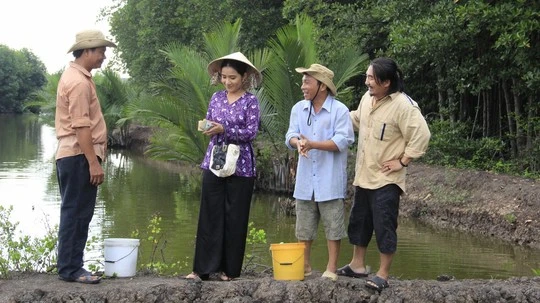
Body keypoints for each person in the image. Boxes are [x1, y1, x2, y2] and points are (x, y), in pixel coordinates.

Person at [337, 57, 431, 291]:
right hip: (365, 175)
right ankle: (357, 265)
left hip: (386, 180)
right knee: (359, 222)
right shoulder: (367, 100)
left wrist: (403, 160)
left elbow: (423, 135)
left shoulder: (403, 105)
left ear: (386, 82)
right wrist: (330, 114)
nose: (367, 81)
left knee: (384, 225)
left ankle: (383, 274)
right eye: (367, 76)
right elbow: (357, 120)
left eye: (371, 78)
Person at [186, 52, 262, 281]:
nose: (227, 82)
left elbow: (251, 132)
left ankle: (228, 271)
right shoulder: (216, 98)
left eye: (233, 78)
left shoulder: (251, 101)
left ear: (244, 77)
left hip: (241, 165)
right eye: (224, 77)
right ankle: (202, 269)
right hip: (215, 160)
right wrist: (209, 128)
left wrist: (225, 130)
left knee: (235, 217)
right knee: (209, 214)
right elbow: (209, 120)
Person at [55, 29, 116, 284]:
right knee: (76, 212)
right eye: (101, 51)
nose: (104, 56)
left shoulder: (79, 77)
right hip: (79, 155)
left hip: (75, 155)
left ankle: (72, 265)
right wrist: (93, 163)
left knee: (77, 211)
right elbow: (81, 126)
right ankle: (70, 269)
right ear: (88, 50)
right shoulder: (79, 82)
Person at [285, 64, 355, 281]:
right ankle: (304, 266)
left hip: (330, 179)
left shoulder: (340, 110)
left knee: (334, 227)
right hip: (306, 180)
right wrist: (298, 143)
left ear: (322, 86)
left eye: (307, 82)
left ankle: (331, 268)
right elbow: (290, 135)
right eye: (303, 82)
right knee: (303, 227)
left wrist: (313, 144)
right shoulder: (298, 108)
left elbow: (342, 141)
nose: (303, 86)